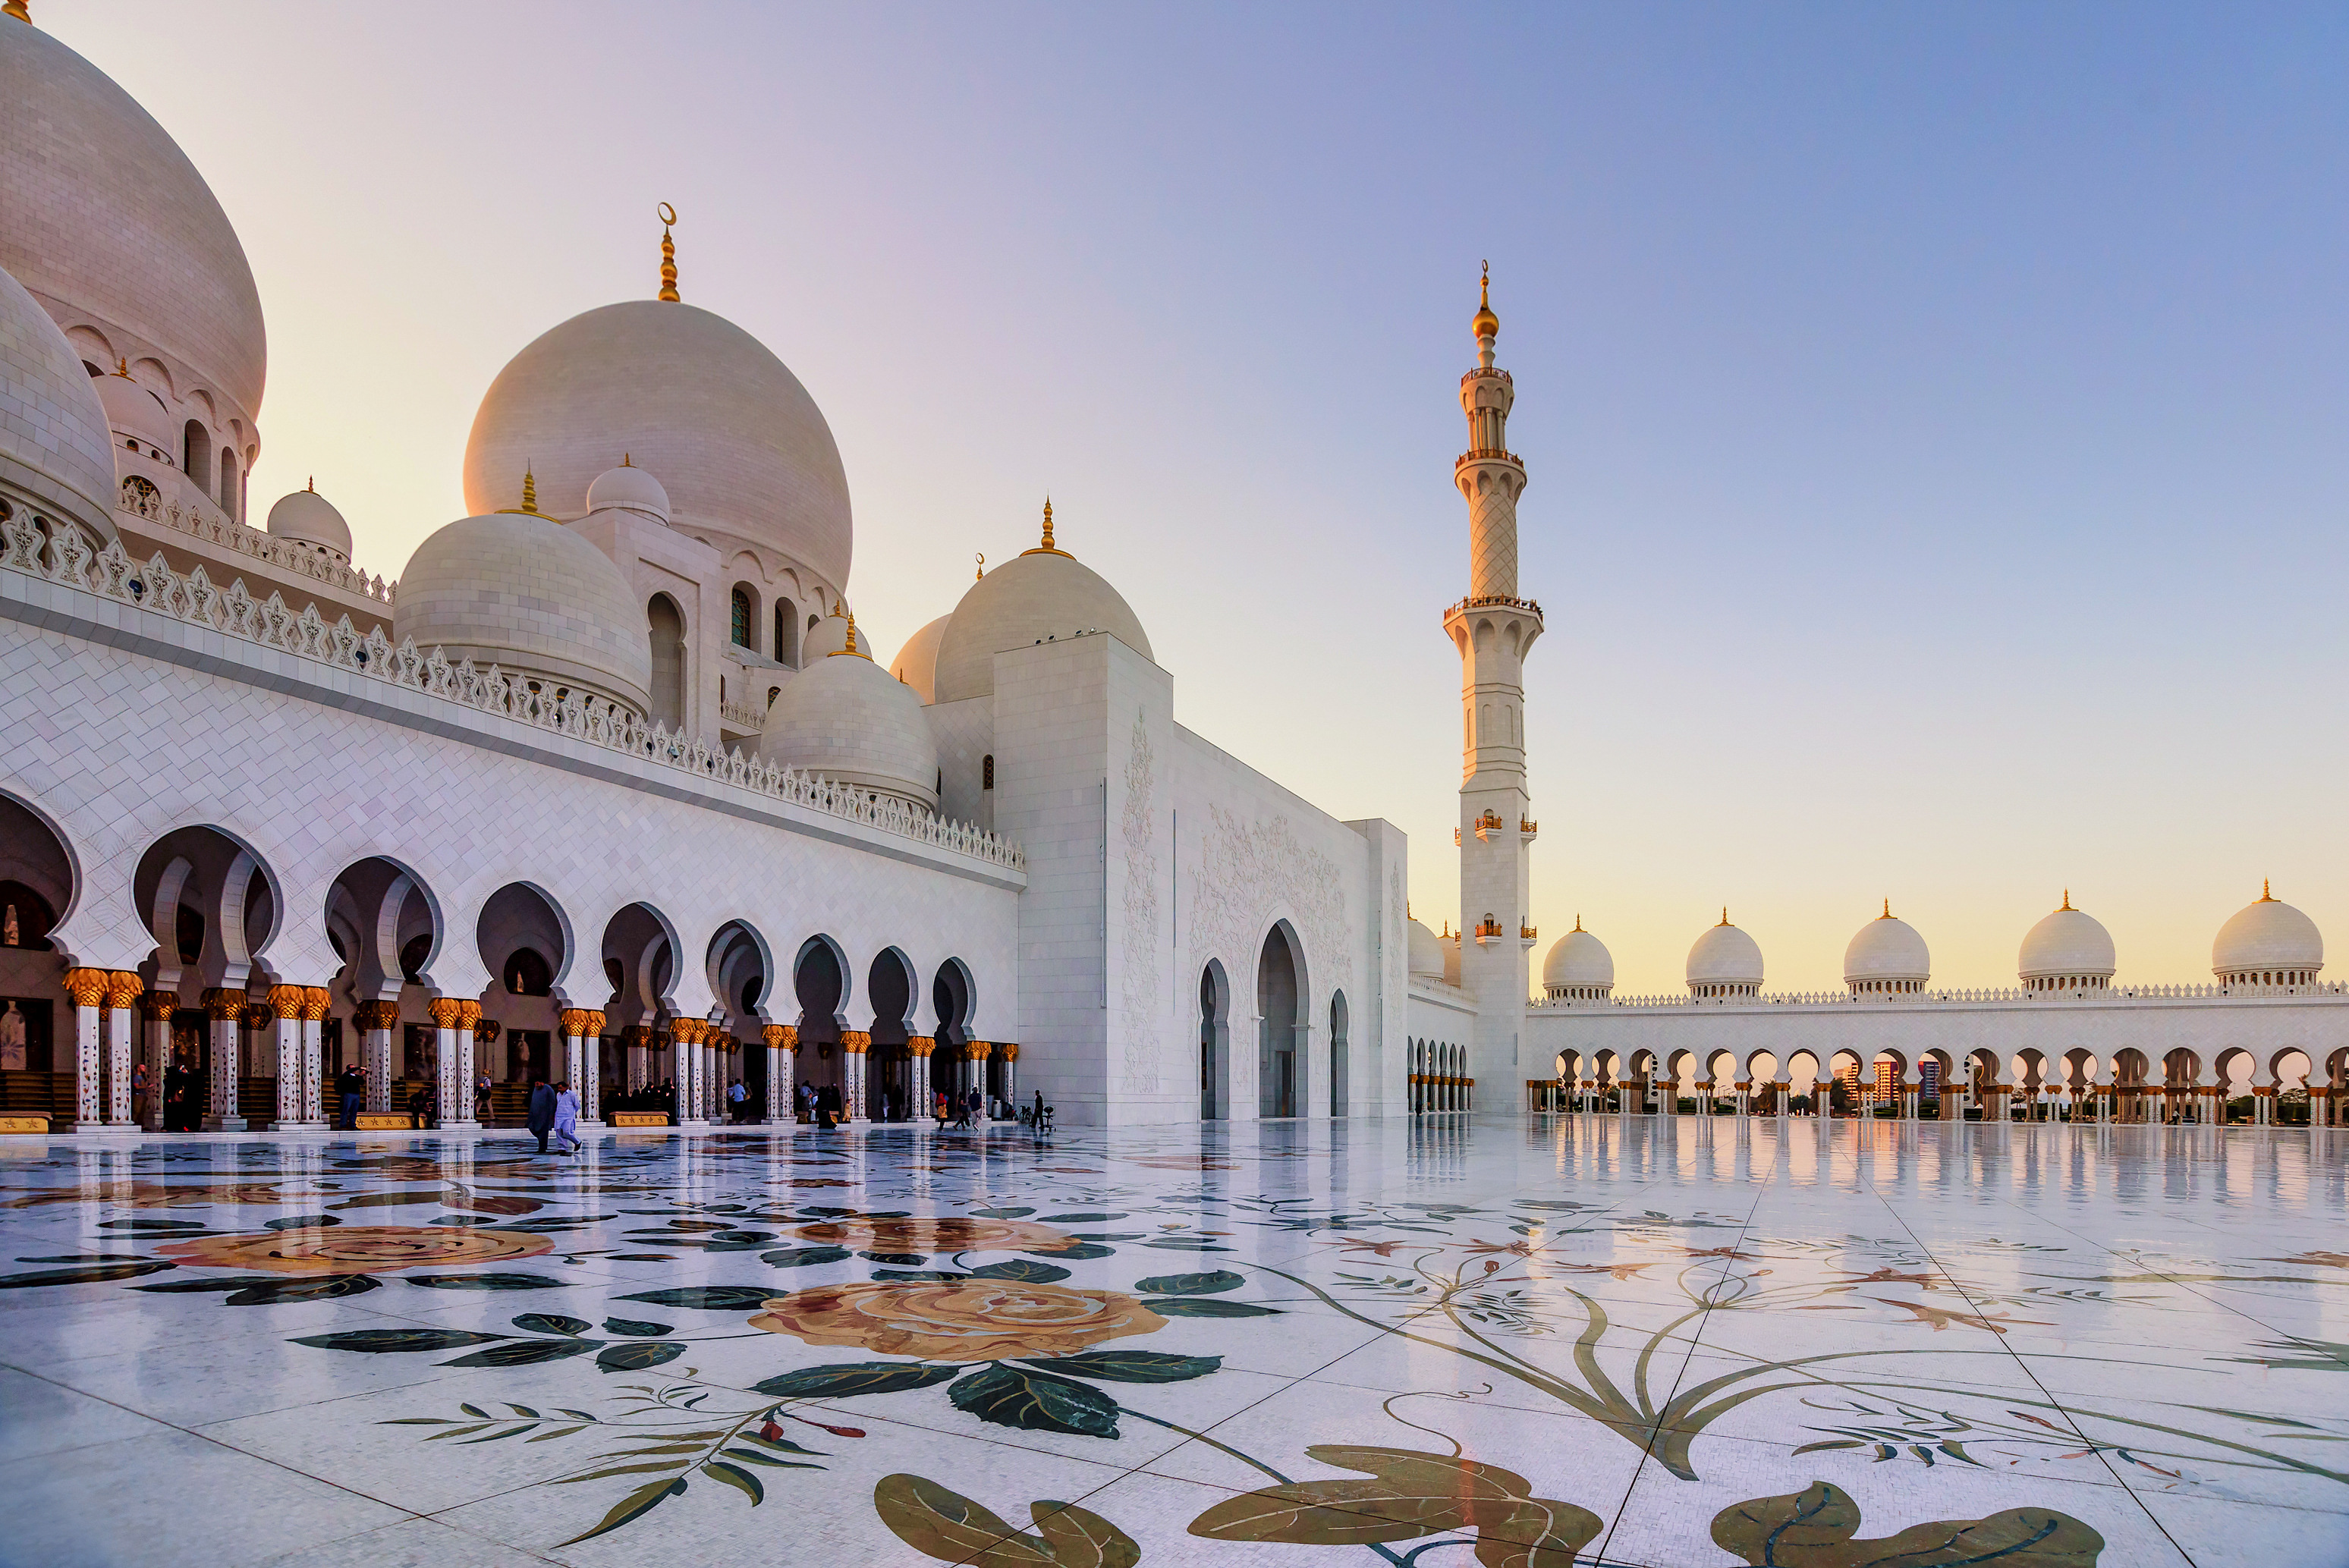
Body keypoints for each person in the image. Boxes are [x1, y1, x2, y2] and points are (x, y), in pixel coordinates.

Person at [552, 1079, 581, 1154]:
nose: (559, 1090)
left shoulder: (571, 1094)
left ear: (565, 1087)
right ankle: (562, 1147)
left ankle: (577, 1142)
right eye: (558, 1088)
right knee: (558, 1131)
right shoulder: (558, 1094)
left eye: (561, 1088)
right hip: (559, 1116)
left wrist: (571, 1112)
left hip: (568, 1116)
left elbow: (577, 1105)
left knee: (566, 1132)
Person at [527, 1077, 555, 1153]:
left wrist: (552, 1113)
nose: (537, 1085)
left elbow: (553, 1101)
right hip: (535, 1114)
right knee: (532, 1127)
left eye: (538, 1083)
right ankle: (541, 1142)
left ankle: (542, 1148)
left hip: (545, 1114)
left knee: (543, 1131)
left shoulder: (548, 1089)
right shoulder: (535, 1089)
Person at [338, 1063, 363, 1130]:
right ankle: (343, 1125)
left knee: (354, 1110)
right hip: (348, 1094)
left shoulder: (356, 1076)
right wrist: (359, 1068)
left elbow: (361, 1083)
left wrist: (361, 1075)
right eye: (352, 1068)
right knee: (345, 1109)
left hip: (356, 1094)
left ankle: (353, 1125)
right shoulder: (346, 1075)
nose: (354, 1070)